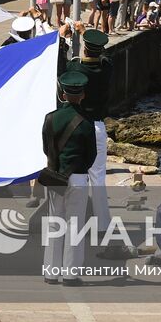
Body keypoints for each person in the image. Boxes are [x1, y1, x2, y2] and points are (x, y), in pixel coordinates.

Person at [42, 71, 95, 286]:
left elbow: (46, 148)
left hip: (56, 177)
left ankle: (51, 273)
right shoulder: (86, 122)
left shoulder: (50, 118)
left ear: (62, 94)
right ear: (82, 95)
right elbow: (91, 155)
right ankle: (70, 274)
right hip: (79, 178)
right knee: (75, 225)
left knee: (55, 223)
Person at [66, 29, 113, 227]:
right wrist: (84, 31)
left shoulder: (76, 67)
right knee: (98, 178)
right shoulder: (106, 68)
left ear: (84, 48)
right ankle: (102, 224)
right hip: (98, 128)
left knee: (76, 178)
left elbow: (64, 67)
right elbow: (105, 58)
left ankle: (75, 222)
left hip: (77, 126)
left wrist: (64, 38)